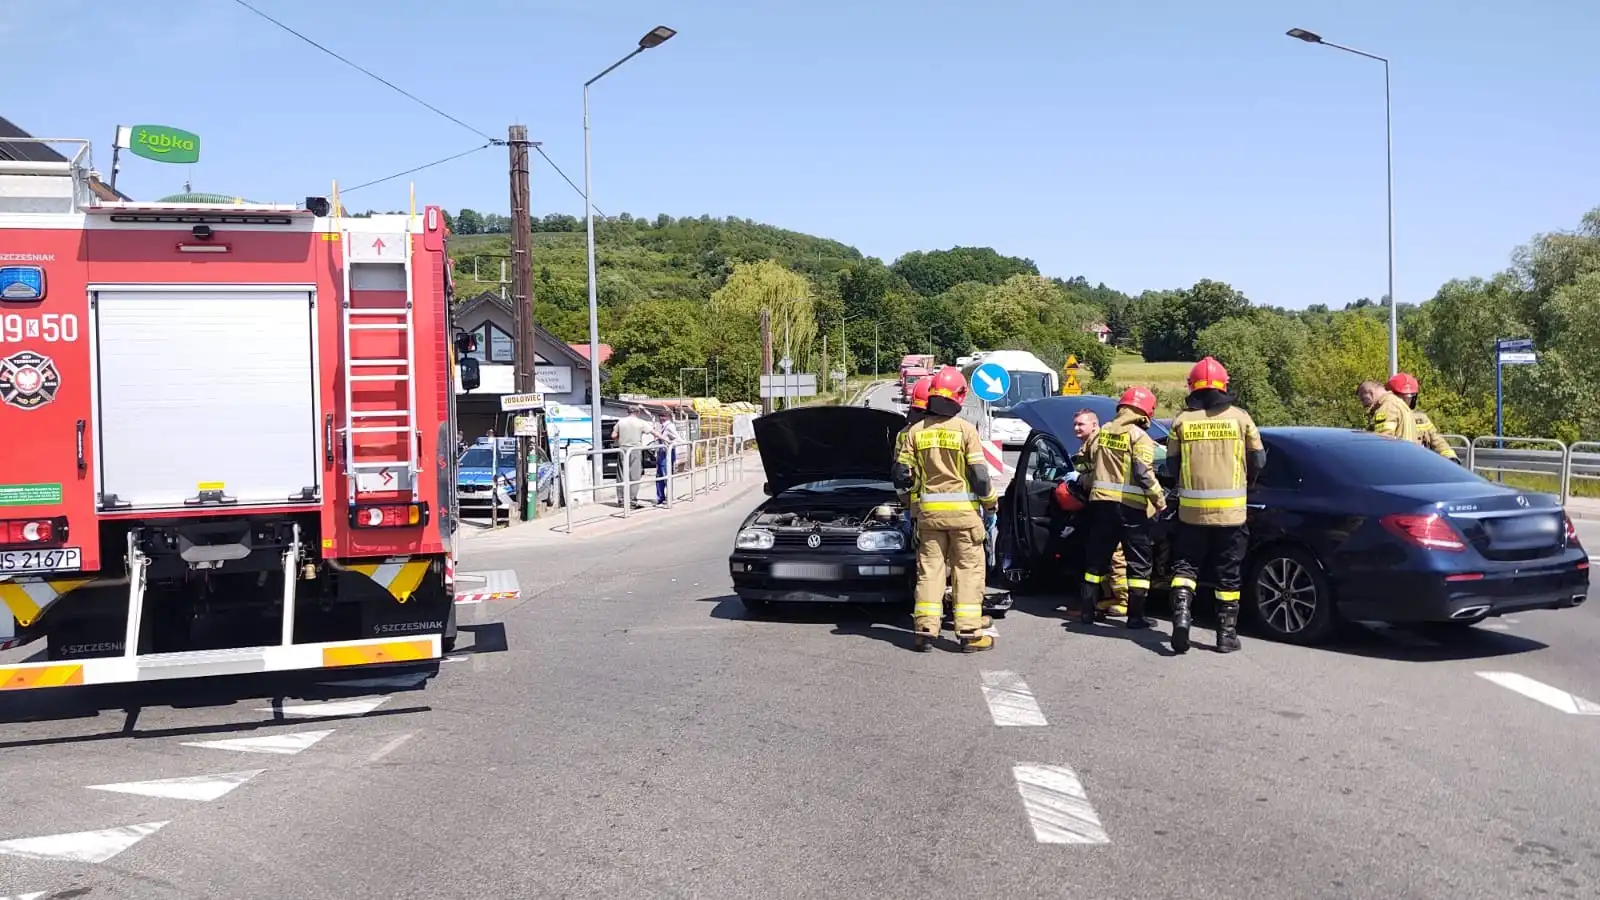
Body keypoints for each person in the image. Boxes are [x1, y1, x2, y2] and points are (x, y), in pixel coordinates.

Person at [892, 366, 997, 652]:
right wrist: (990, 504)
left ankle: (925, 630)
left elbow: (901, 475)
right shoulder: (965, 430)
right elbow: (979, 476)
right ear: (960, 396)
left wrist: (909, 506)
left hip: (928, 517)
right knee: (967, 571)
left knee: (930, 572)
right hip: (964, 517)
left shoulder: (915, 432)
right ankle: (970, 634)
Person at [1166, 357, 1265, 654]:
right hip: (1231, 514)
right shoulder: (1241, 418)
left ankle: (1182, 616)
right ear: (1225, 384)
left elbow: (1171, 465)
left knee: (1185, 567)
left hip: (1191, 512)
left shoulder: (1182, 420)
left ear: (1192, 386)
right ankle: (1226, 635)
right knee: (1228, 574)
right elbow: (1259, 459)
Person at [1077, 387, 1166, 629]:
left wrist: (1089, 480)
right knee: (1138, 563)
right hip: (1131, 509)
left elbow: (1082, 462)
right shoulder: (1140, 437)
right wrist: (1159, 499)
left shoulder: (1103, 431)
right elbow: (1143, 472)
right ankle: (1135, 617)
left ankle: (1087, 612)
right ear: (1145, 413)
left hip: (1101, 505)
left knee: (1096, 560)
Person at [1068, 409, 1127, 618]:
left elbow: (1100, 475)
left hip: (1109, 504)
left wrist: (1079, 479)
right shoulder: (1090, 445)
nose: (1076, 428)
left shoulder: (1099, 443)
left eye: (1081, 424)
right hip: (1101, 503)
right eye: (1075, 424)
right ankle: (1109, 595)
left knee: (1114, 553)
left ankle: (1123, 599)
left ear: (1095, 425)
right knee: (1103, 553)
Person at [1386, 372, 1461, 463]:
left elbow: (1437, 440)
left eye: (1408, 397)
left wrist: (1451, 457)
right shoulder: (1387, 417)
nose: (1404, 402)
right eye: (1401, 398)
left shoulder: (1421, 419)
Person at [610, 406, 653, 509]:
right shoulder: (640, 422)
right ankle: (632, 501)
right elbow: (652, 432)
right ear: (637, 412)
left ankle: (621, 500)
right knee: (634, 475)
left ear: (628, 411)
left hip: (622, 450)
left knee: (621, 475)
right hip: (634, 450)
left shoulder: (621, 422)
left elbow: (613, 436)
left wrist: (623, 437)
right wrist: (665, 440)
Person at [1357, 380, 1419, 445]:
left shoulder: (1387, 407)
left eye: (1363, 399)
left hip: (1396, 454)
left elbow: (1382, 442)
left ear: (1371, 393)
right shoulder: (1400, 404)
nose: (1363, 405)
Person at [651, 411, 683, 504]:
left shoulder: (669, 426)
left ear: (667, 417)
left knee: (666, 475)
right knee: (659, 475)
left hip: (667, 453)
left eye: (662, 416)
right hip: (661, 452)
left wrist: (671, 444)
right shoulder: (661, 426)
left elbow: (677, 438)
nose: (660, 418)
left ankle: (669, 497)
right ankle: (660, 497)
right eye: (660, 416)